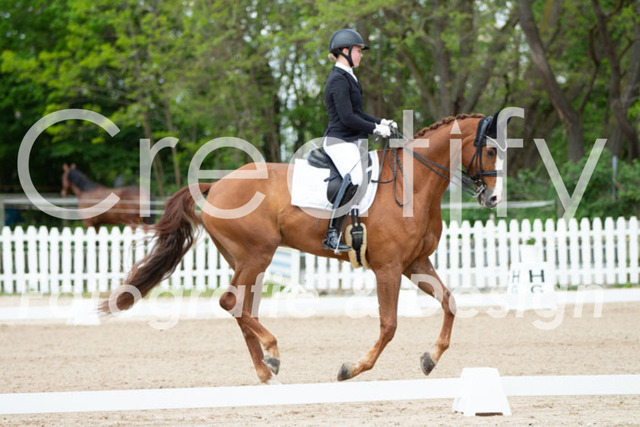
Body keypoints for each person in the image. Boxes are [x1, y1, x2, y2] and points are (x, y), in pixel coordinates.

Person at [321, 28, 397, 253]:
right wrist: (375, 129)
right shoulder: (338, 80)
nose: (361, 55)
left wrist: (381, 121)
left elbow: (358, 113)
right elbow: (347, 118)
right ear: (344, 51)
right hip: (339, 141)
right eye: (358, 51)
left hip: (351, 141)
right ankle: (331, 233)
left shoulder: (349, 77)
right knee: (355, 178)